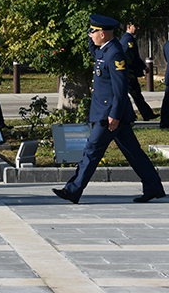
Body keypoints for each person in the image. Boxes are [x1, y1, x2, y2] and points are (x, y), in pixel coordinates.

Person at [53, 15, 166, 204]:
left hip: (110, 115)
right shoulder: (104, 50)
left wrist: (114, 114)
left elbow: (120, 88)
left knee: (91, 150)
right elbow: (93, 51)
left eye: (93, 32)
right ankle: (153, 186)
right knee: (134, 153)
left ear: (103, 34)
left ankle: (73, 190)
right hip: (109, 113)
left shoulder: (115, 53)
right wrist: (88, 35)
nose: (90, 35)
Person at [120, 22, 156, 121]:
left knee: (137, 94)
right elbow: (132, 57)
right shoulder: (127, 39)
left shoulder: (130, 38)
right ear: (128, 26)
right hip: (128, 73)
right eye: (135, 26)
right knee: (132, 95)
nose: (138, 28)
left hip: (130, 73)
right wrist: (143, 67)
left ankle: (147, 114)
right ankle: (133, 115)